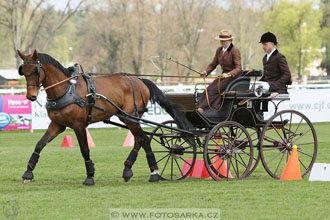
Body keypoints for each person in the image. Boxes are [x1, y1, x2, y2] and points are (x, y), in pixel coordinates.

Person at [197, 29, 242, 113]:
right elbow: (213, 64)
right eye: (221, 41)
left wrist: (229, 74)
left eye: (224, 41)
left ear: (230, 40)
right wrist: (205, 72)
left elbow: (238, 68)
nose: (222, 42)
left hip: (233, 77)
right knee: (208, 89)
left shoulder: (234, 50)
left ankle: (203, 108)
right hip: (223, 76)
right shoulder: (219, 50)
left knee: (214, 90)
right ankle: (199, 107)